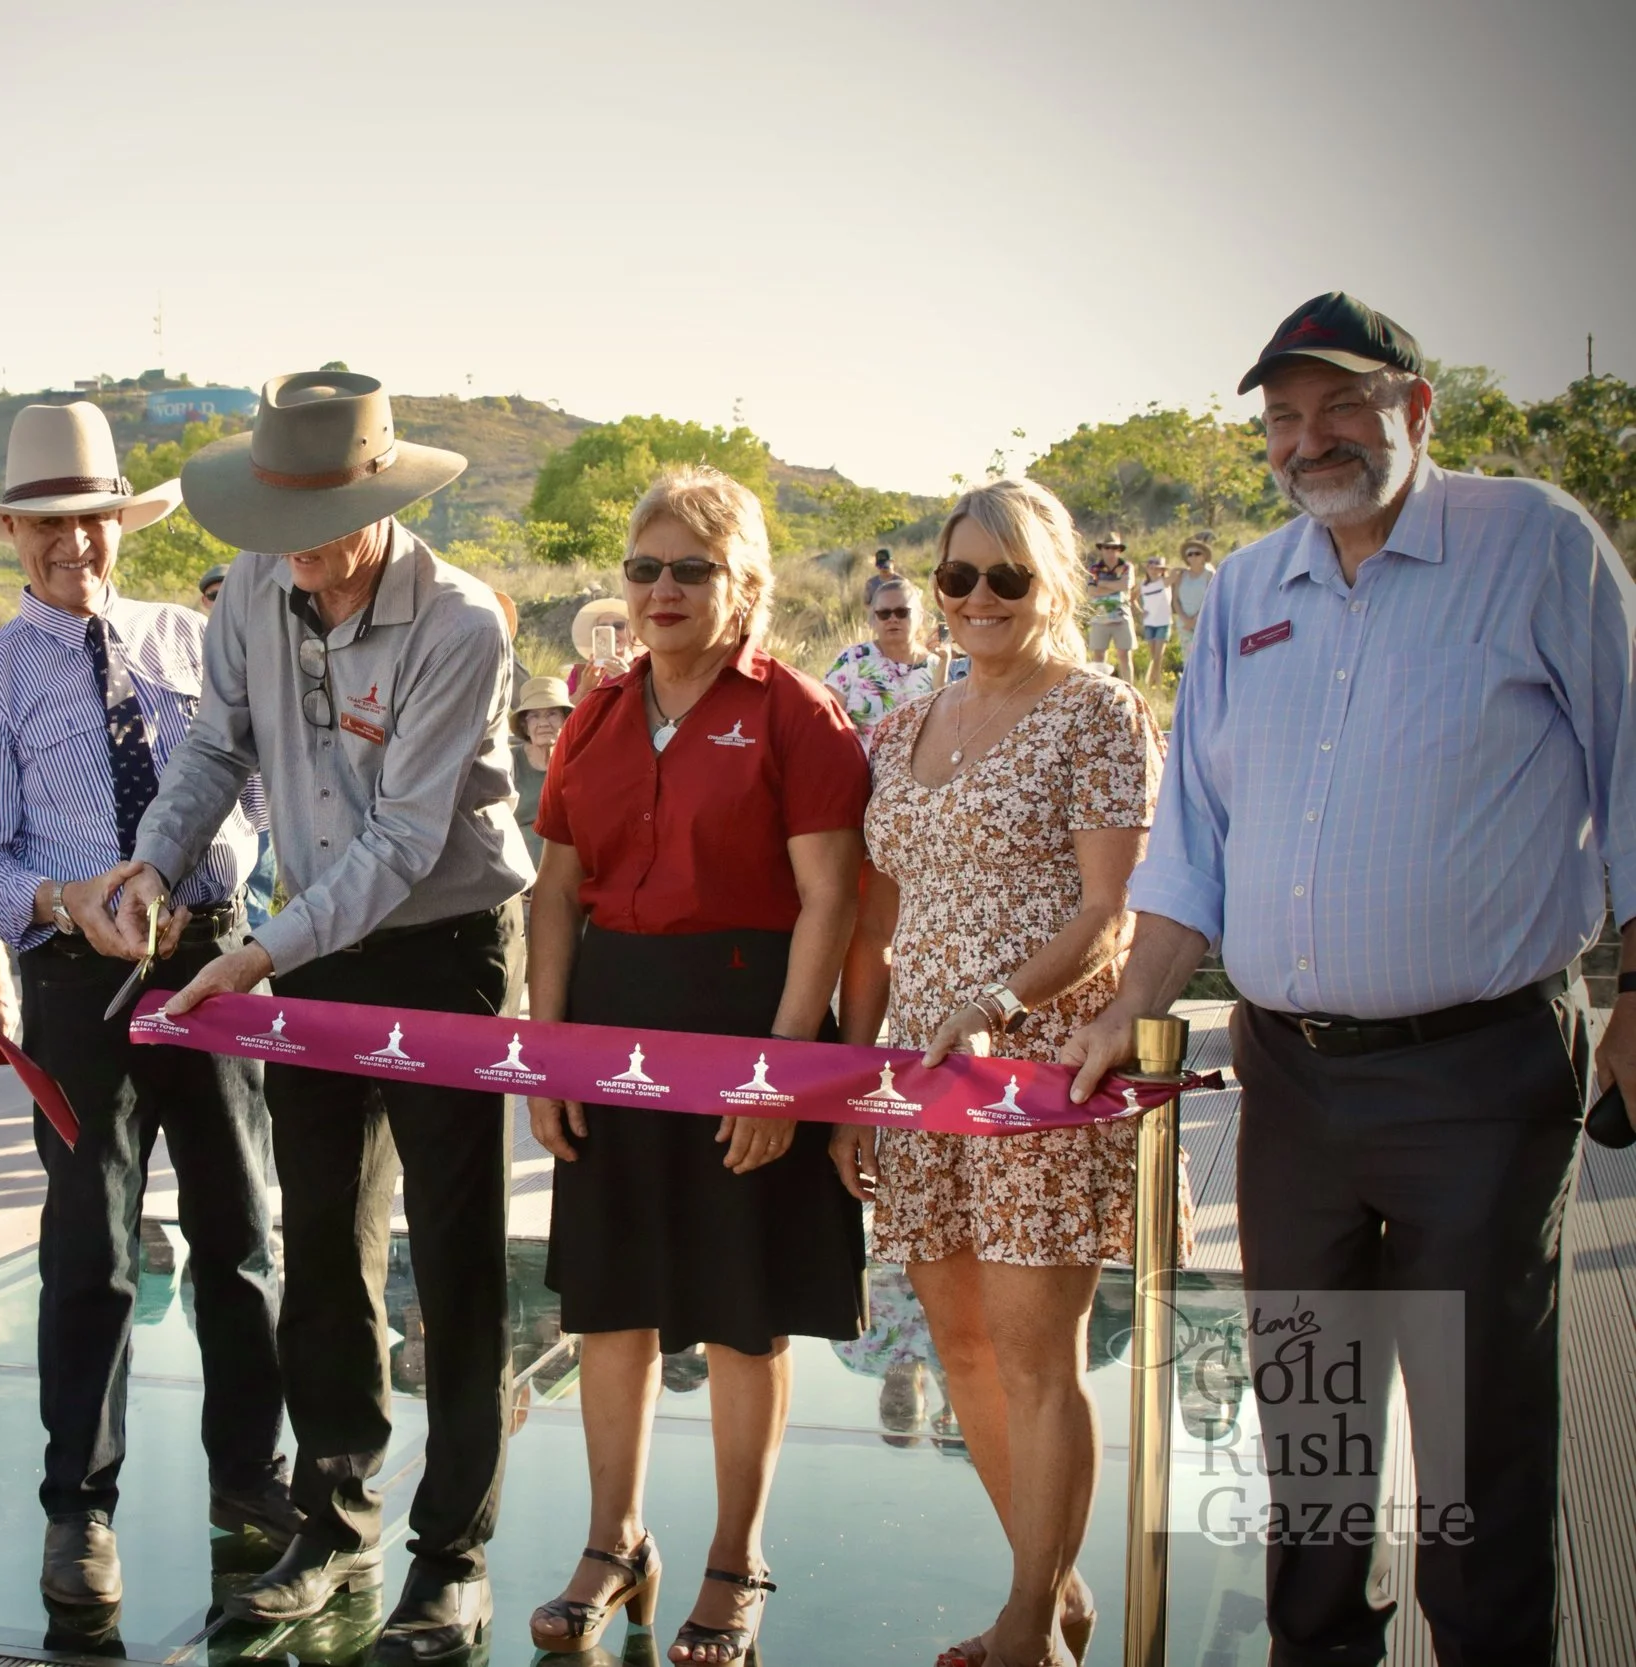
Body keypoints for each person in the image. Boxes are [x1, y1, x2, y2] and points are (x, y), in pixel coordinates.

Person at [1066, 291, 1636, 1667]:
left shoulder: (1536, 544)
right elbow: (1192, 840)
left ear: (1416, 408)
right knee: (1309, 1416)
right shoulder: (1255, 587)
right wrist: (1128, 1002)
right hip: (1293, 1079)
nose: (1308, 438)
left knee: (1475, 1434)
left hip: (1480, 1072)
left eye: (1340, 406)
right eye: (1282, 417)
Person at [112, 371, 532, 1662]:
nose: (285, 550)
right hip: (311, 954)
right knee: (324, 1252)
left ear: (377, 503)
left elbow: (409, 837)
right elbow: (216, 746)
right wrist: (153, 859)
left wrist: (262, 951)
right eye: (267, 520)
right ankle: (335, 1514)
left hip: (445, 946)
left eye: (310, 521)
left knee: (454, 1259)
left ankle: (451, 1554)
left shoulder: (460, 623)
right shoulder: (252, 583)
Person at [0, 402, 287, 1606]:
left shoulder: (193, 642)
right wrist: (68, 894)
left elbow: (249, 793)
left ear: (118, 524)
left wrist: (219, 878)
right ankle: (76, 1510)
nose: (71, 544)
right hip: (78, 982)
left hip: (214, 965)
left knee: (241, 1232)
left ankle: (252, 1479)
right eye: (46, 526)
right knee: (89, 1245)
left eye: (90, 521)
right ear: (14, 534)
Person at [526, 465, 868, 1665]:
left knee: (740, 1311)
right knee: (608, 1299)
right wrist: (547, 1050)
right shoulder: (599, 709)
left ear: (746, 587)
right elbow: (556, 891)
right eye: (643, 567)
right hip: (610, 1020)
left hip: (746, 1019)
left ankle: (735, 1556)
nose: (661, 590)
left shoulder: (798, 713)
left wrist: (782, 1072)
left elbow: (831, 898)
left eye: (691, 569)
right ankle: (613, 1542)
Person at [832, 476, 1165, 1667]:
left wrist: (994, 1005)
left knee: (1035, 1354)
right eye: (958, 576)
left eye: (1008, 576)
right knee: (957, 1342)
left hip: (1037, 1072)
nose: (979, 597)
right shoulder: (895, 725)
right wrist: (865, 1082)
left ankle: (1026, 1618)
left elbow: (1112, 911)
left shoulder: (1099, 714)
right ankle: (1049, 1593)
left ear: (1055, 584)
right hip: (919, 1076)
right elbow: (871, 922)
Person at [824, 577, 944, 739]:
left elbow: (945, 724)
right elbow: (824, 719)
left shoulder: (935, 665)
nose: (893, 619)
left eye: (902, 612)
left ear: (920, 616)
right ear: (873, 619)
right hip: (859, 763)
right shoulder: (852, 659)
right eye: (884, 614)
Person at [509, 676, 571, 868]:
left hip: (569, 874)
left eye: (552, 714)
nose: (543, 723)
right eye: (534, 716)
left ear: (566, 720)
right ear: (525, 726)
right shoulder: (510, 762)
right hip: (520, 876)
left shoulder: (580, 762)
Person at [1079, 534, 1135, 683]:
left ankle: (1130, 689)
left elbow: (1125, 586)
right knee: (1099, 658)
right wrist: (1114, 587)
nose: (1110, 551)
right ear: (1102, 550)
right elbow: (1091, 591)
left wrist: (1102, 584)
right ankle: (1101, 690)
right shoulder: (1094, 568)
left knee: (1124, 656)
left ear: (1119, 550)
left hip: (1122, 616)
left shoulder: (1126, 567)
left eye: (1114, 548)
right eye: (1107, 548)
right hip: (1100, 617)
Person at [566, 596, 637, 697]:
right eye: (604, 628)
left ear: (634, 633)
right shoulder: (580, 673)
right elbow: (568, 712)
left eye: (619, 626)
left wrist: (628, 682)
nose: (612, 633)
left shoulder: (648, 669)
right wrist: (583, 690)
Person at [1172, 534, 1215, 655]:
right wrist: (1186, 620)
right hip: (1184, 624)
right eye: (1190, 554)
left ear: (1204, 556)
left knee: (1206, 657)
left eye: (1197, 553)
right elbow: (1175, 600)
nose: (1193, 557)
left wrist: (1196, 619)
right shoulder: (1181, 575)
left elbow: (1211, 599)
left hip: (1204, 623)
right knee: (1188, 659)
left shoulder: (1209, 575)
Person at [1135, 556, 1174, 682]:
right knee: (1153, 657)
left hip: (1163, 622)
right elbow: (1131, 598)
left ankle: (1156, 684)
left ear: (1162, 570)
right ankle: (1153, 684)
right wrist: (1141, 612)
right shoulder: (1143, 585)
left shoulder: (1165, 582)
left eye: (1157, 568)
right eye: (1151, 568)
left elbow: (1178, 572)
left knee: (1158, 657)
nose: (1153, 570)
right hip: (1149, 623)